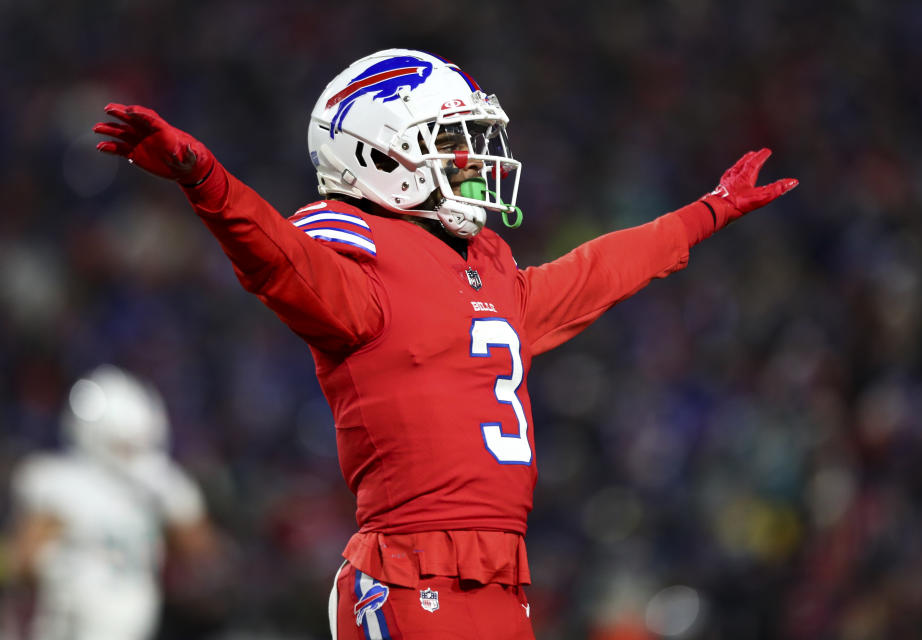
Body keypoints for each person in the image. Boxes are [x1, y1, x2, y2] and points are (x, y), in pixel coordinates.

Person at [93, 48, 798, 639]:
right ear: (379, 154)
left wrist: (707, 213)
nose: (472, 159)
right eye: (448, 141)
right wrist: (204, 178)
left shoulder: (487, 267)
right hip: (408, 571)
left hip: (502, 576)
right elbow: (276, 258)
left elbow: (597, 271)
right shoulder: (357, 260)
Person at [5, 365, 218, 640]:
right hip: (103, 622)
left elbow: (22, 561)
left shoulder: (59, 481)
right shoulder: (162, 483)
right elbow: (204, 553)